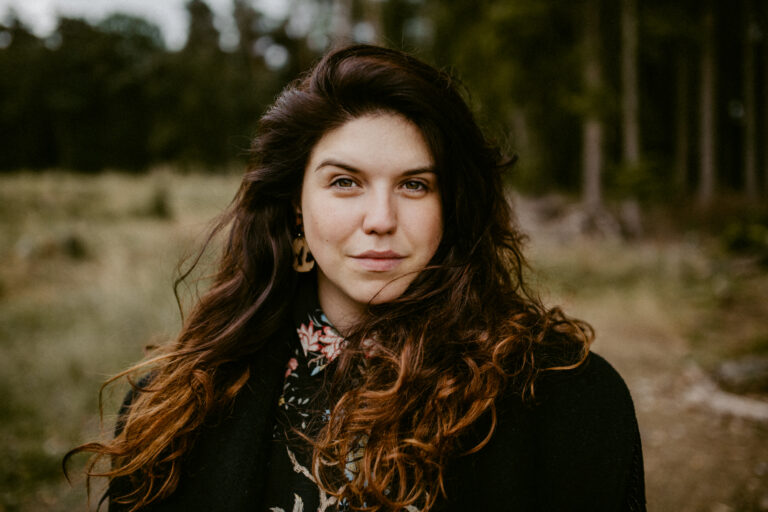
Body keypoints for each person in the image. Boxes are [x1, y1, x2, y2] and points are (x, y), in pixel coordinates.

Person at [67, 44, 645, 511]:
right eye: (345, 182)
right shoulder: (181, 401)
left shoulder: (564, 396)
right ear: (296, 206)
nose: (381, 220)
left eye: (415, 185)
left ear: (454, 208)